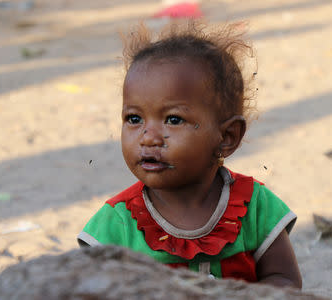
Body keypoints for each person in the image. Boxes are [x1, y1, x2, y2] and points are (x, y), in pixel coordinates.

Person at [77, 21, 302, 288]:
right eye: (134, 118)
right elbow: (93, 289)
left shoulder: (254, 206)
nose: (148, 137)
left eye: (173, 120)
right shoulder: (117, 223)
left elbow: (285, 280)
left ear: (227, 137)